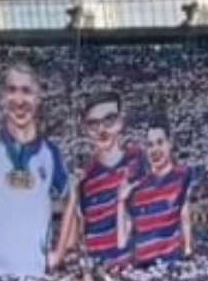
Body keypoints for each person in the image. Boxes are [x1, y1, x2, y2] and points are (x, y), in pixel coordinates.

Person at [0, 63, 69, 278]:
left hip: (34, 273)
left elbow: (71, 202)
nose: (18, 99)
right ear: (2, 96)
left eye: (26, 91)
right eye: (12, 90)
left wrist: (59, 252)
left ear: (38, 97)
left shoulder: (50, 154)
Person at [53, 91, 146, 270]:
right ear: (86, 129)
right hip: (97, 265)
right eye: (94, 124)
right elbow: (76, 236)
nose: (102, 130)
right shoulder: (84, 177)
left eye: (109, 120)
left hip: (132, 265)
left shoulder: (139, 161)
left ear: (120, 121)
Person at [119, 119, 194, 266]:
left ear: (169, 144)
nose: (155, 150)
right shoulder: (137, 187)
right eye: (150, 145)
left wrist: (188, 250)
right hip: (141, 266)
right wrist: (121, 202)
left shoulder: (183, 175)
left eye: (160, 142)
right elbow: (127, 228)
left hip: (170, 263)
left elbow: (185, 216)